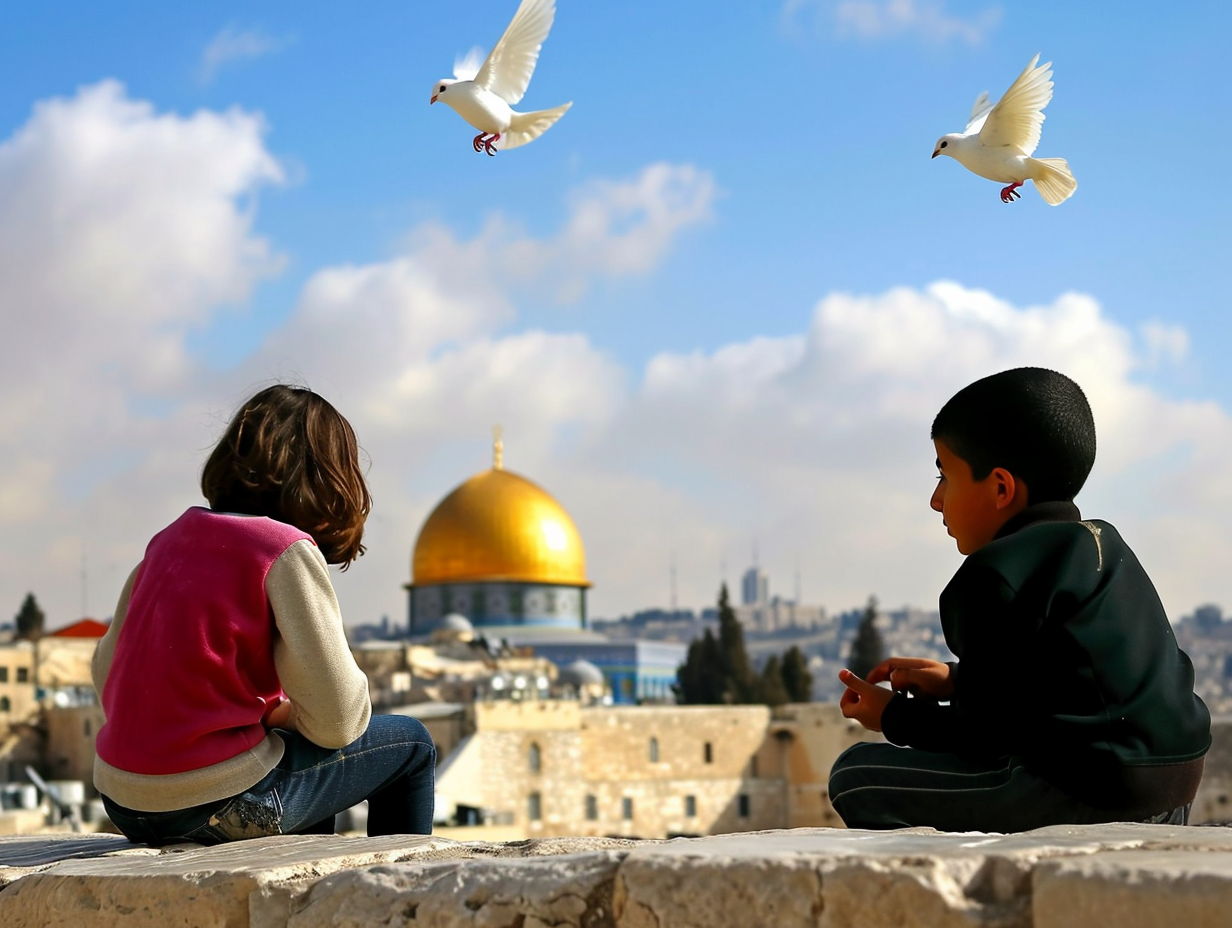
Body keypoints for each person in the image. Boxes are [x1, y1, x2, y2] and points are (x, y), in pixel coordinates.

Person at [829, 367, 1211, 833]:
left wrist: (893, 715)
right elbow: (1066, 683)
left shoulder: (994, 576)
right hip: (1172, 788)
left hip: (1089, 792)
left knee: (855, 777)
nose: (935, 500)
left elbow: (983, 735)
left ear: (1001, 489)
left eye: (946, 477)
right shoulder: (1102, 545)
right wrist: (955, 680)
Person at [92, 384, 436, 845]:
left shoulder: (167, 542)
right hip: (212, 805)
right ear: (326, 476)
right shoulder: (282, 550)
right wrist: (283, 717)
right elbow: (338, 721)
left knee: (287, 759)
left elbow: (104, 672)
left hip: (125, 802)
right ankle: (399, 894)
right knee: (411, 743)